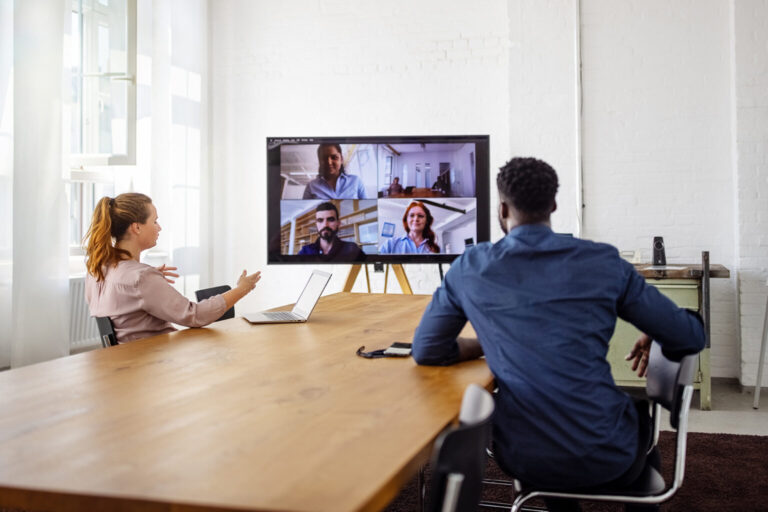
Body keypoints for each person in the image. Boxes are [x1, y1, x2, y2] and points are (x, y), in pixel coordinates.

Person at [411, 157, 705, 512]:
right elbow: (689, 338)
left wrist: (483, 347)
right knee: (640, 435)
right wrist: (660, 327)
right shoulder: (604, 262)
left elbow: (427, 349)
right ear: (553, 205)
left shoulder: (470, 267)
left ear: (501, 208)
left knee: (546, 437)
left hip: (524, 457)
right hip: (607, 452)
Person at [84, 193, 261, 343]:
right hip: (157, 365)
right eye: (155, 221)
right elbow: (195, 315)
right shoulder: (140, 278)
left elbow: (124, 303)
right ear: (136, 227)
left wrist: (150, 282)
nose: (159, 228)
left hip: (128, 365)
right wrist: (242, 289)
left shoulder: (97, 269)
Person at [297, 202, 364, 261]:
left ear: (338, 223)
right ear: (316, 224)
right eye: (320, 220)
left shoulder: (352, 249)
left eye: (330, 219)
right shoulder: (305, 251)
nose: (325, 225)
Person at [302, 143, 367, 199]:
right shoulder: (311, 186)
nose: (329, 162)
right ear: (319, 161)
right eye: (324, 158)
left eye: (334, 157)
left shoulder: (356, 181)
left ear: (341, 159)